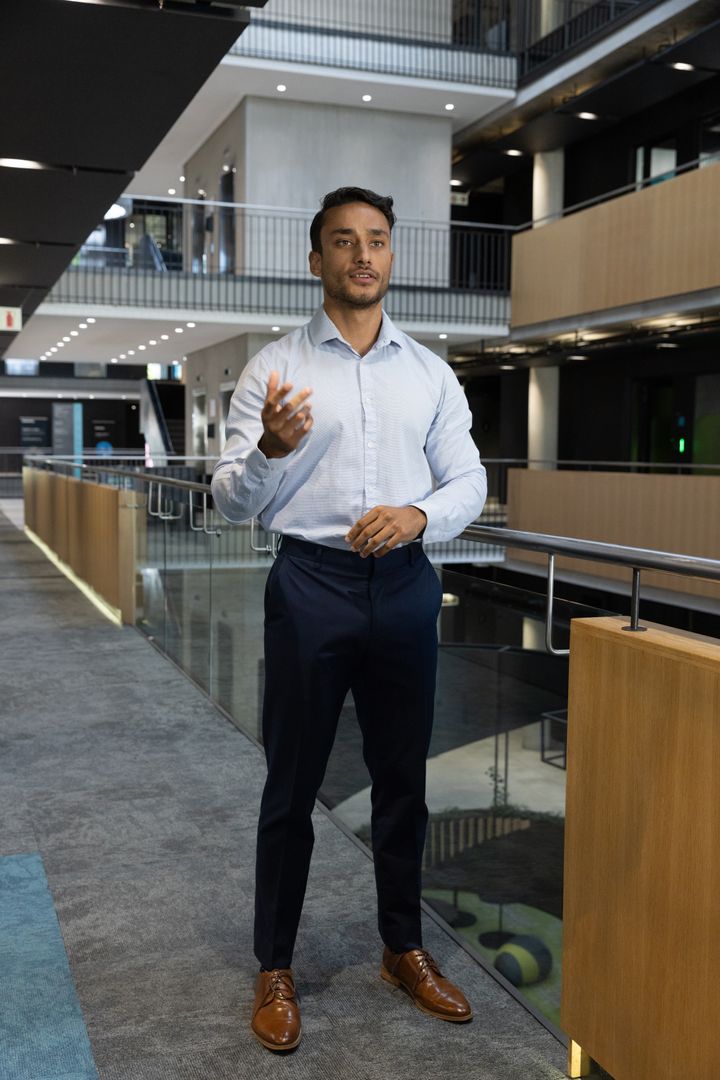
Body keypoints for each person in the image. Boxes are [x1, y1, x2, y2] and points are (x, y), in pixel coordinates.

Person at [212, 186, 487, 1052]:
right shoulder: (274, 369)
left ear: (392, 256)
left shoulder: (429, 372)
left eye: (376, 241)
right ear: (316, 259)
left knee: (404, 781)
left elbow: (470, 483)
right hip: (310, 585)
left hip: (404, 585)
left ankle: (402, 949)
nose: (362, 255)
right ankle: (276, 966)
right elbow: (227, 502)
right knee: (290, 785)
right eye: (343, 241)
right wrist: (270, 451)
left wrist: (419, 516)